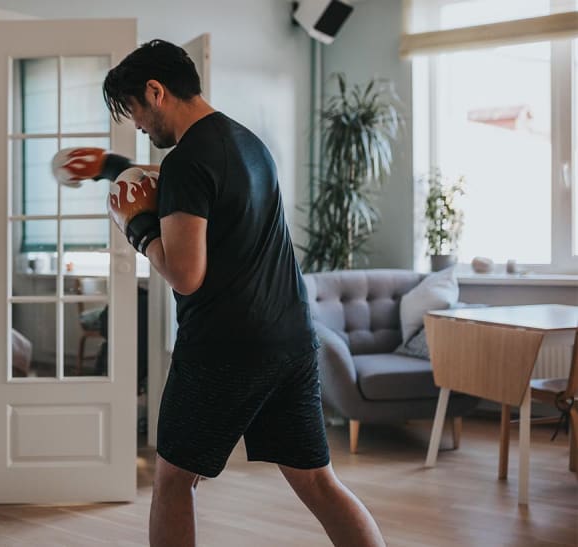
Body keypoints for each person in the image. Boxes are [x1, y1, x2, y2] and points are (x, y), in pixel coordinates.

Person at [54, 40, 385, 547]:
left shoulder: (189, 160)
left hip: (225, 350)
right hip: (292, 341)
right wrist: (111, 163)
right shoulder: (245, 143)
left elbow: (186, 274)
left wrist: (137, 227)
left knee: (171, 482)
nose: (139, 126)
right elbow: (180, 186)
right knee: (318, 480)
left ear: (156, 91)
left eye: (136, 113)